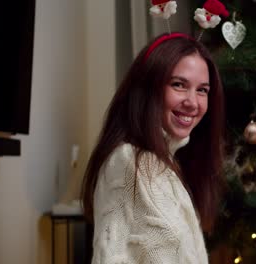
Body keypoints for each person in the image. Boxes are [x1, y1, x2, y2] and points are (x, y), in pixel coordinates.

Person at [81, 32, 225, 264]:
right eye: (179, 85)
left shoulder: (167, 163)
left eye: (202, 90)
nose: (193, 102)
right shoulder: (130, 162)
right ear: (149, 88)